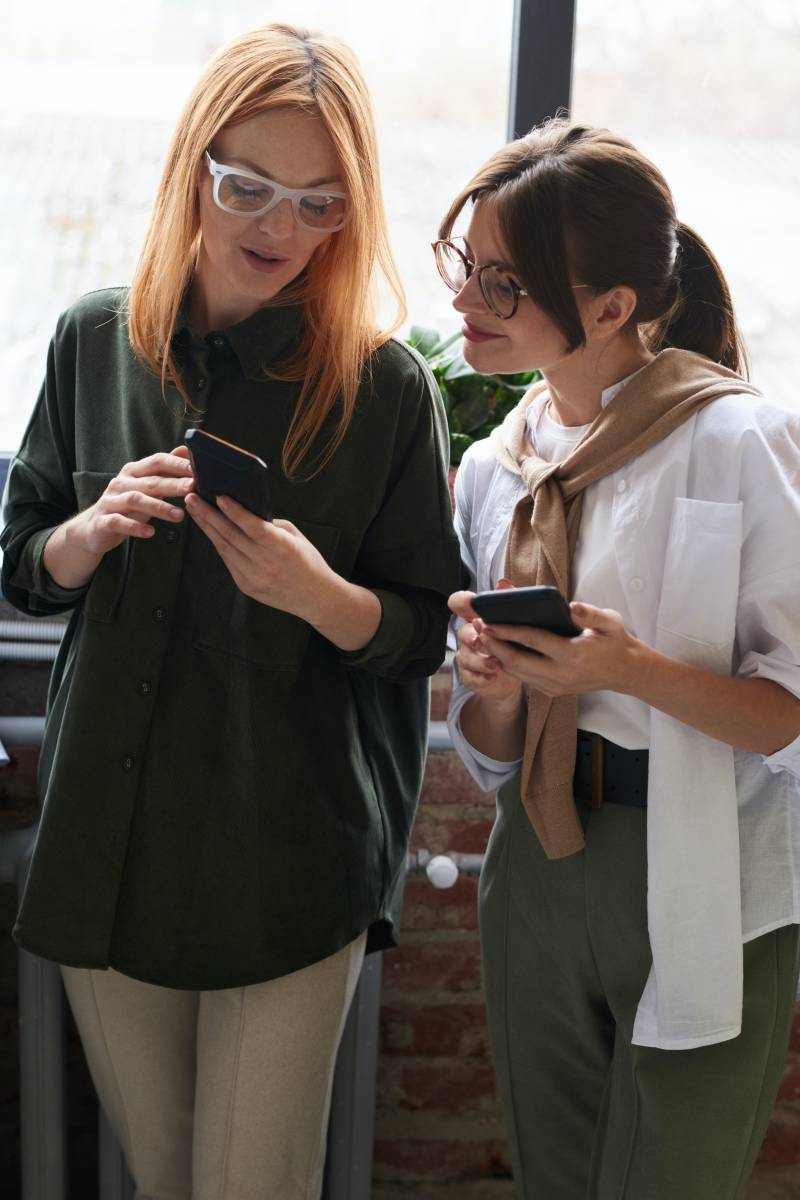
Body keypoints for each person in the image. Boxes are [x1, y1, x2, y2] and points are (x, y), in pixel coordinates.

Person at [1, 23, 460, 1199]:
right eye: (248, 187)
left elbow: (419, 633)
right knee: (162, 1179)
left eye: (319, 203)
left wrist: (322, 600)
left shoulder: (383, 387)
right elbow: (19, 560)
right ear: (191, 167)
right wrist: (85, 534)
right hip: (113, 841)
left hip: (287, 853)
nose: (279, 230)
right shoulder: (97, 339)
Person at [436, 120, 800, 1199]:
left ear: (610, 308)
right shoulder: (493, 471)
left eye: (502, 283)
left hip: (704, 864)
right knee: (551, 1177)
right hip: (539, 861)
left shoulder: (738, 443)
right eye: (465, 268)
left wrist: (629, 670)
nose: (465, 306)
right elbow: (491, 748)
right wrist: (495, 688)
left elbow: (786, 714)